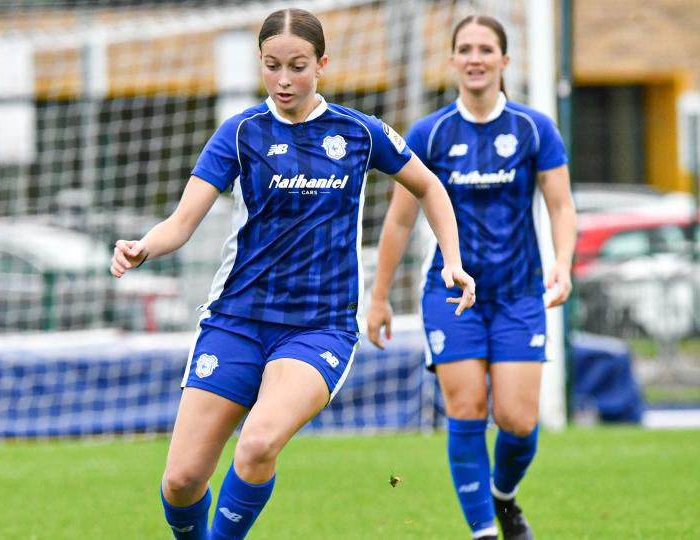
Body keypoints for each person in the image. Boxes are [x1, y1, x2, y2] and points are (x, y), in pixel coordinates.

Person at [111, 8, 475, 540]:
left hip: (318, 328)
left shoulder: (358, 133)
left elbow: (430, 187)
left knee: (258, 444)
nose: (284, 80)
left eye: (298, 66)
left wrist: (453, 260)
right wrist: (144, 246)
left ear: (322, 64)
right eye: (272, 66)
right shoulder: (240, 133)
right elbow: (182, 222)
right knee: (182, 481)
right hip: (235, 321)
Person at [366, 14, 576, 540]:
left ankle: (502, 498)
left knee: (518, 420)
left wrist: (564, 262)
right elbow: (398, 219)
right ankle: (484, 530)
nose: (476, 57)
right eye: (466, 48)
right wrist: (379, 297)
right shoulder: (429, 133)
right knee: (466, 406)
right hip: (452, 294)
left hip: (519, 293)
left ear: (505, 61)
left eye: (487, 49)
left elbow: (561, 203)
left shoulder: (533, 128)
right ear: (453, 60)